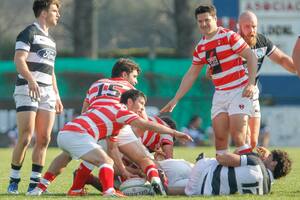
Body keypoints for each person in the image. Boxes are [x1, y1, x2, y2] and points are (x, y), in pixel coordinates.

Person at [34, 89, 192, 197]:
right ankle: (109, 192)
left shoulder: (115, 122)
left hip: (71, 134)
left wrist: (123, 171)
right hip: (77, 134)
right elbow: (144, 124)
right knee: (105, 161)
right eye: (141, 104)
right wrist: (174, 132)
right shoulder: (121, 111)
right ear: (129, 101)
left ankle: (57, 189)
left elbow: (112, 147)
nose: (142, 108)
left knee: (97, 159)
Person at [161, 4, 258, 155]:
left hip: (239, 90)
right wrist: (176, 99)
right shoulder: (201, 47)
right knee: (219, 140)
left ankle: (255, 173)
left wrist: (251, 83)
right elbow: (191, 74)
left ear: (215, 18)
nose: (203, 24)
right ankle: (224, 176)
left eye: (207, 20)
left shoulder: (229, 36)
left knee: (238, 137)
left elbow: (251, 56)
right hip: (219, 94)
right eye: (200, 21)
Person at [8, 0, 63, 194]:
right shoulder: (28, 32)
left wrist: (56, 95)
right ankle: (14, 180)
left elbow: (51, 70)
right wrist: (31, 80)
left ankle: (34, 185)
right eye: (55, 10)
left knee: (44, 138)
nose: (58, 14)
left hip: (47, 92)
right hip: (27, 88)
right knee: (25, 136)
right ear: (43, 12)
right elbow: (19, 59)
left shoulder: (51, 41)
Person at [237, 11, 297, 149]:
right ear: (238, 26)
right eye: (247, 26)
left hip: (252, 93)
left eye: (254, 26)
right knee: (244, 138)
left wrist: (297, 68)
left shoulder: (261, 41)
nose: (251, 30)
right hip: (235, 93)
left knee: (252, 142)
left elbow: (282, 59)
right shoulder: (232, 42)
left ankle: (247, 165)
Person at [184, 147, 292, 195]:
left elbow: (221, 158)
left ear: (274, 163)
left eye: (269, 156)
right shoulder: (266, 188)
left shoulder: (256, 162)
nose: (266, 156)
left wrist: (251, 153)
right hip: (203, 191)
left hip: (202, 173)